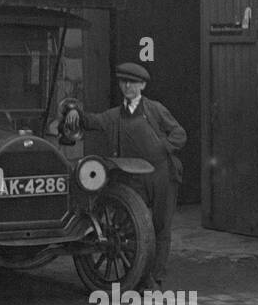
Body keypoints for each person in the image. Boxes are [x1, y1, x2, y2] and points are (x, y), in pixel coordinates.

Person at [60, 63, 187, 286]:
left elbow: (179, 134)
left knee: (161, 227)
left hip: (160, 174)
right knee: (131, 227)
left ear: (142, 86)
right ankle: (136, 274)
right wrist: (74, 112)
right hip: (132, 176)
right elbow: (92, 121)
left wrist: (163, 146)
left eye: (133, 83)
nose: (128, 87)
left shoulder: (155, 109)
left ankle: (154, 278)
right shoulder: (115, 115)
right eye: (124, 82)